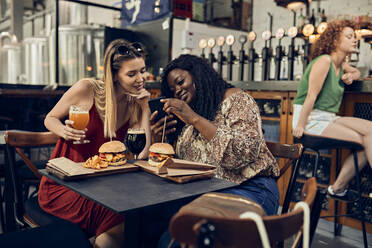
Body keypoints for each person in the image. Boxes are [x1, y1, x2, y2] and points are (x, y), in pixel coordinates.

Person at [38, 39, 151, 248]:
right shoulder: (87, 88)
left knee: (140, 213)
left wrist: (145, 108)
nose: (141, 79)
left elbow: (142, 154)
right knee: (120, 215)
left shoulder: (133, 101)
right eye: (132, 74)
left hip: (102, 186)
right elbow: (49, 118)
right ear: (114, 75)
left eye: (142, 71)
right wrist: (64, 130)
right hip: (65, 185)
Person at [151, 54, 280, 214]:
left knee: (190, 220)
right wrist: (158, 140)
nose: (177, 90)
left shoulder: (236, 100)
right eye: (172, 90)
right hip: (206, 193)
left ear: (197, 74)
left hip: (250, 188)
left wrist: (194, 119)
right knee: (153, 214)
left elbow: (241, 154)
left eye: (180, 82)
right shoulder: (189, 119)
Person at [292, 19, 372, 200]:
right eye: (349, 37)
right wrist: (300, 126)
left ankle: (337, 188)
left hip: (328, 117)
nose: (355, 40)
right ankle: (338, 188)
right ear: (335, 40)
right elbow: (311, 97)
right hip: (308, 119)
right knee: (366, 140)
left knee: (370, 134)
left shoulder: (340, 64)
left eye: (355, 37)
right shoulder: (324, 62)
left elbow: (359, 73)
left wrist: (352, 75)